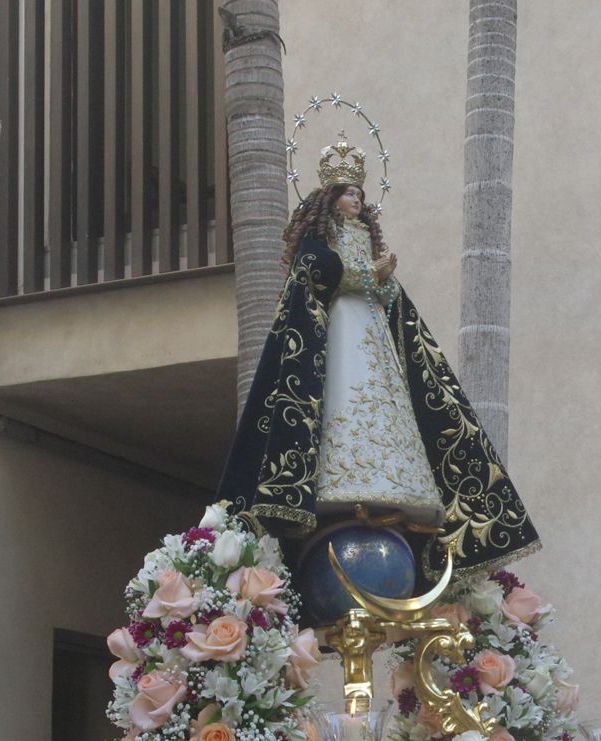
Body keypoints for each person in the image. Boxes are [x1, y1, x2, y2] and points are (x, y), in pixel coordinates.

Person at [217, 136, 538, 581]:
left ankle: (392, 480)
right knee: (343, 391)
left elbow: (386, 295)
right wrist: (368, 273)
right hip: (339, 328)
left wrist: (383, 280)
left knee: (383, 396)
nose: (358, 200)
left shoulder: (365, 235)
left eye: (361, 194)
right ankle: (334, 480)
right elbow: (315, 271)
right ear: (330, 198)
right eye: (350, 193)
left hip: (369, 327)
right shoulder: (319, 235)